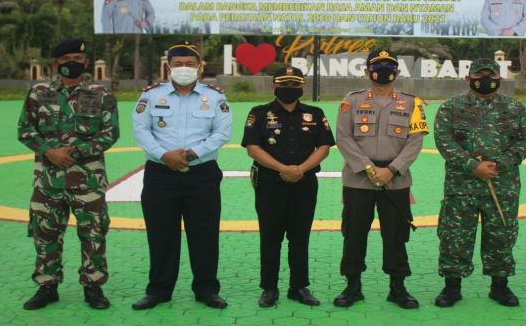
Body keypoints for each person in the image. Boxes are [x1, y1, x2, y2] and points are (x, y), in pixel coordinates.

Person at [17, 38, 120, 310]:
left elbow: (110, 134)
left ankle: (93, 287)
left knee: (94, 234)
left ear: (86, 62)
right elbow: (25, 130)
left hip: (89, 181)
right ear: (56, 63)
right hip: (48, 181)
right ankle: (47, 286)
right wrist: (50, 152)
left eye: (78, 58)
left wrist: (73, 153)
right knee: (45, 234)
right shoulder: (39, 92)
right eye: (66, 59)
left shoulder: (101, 93)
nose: (72, 63)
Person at [131, 43, 232, 310]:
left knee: (205, 234)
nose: (184, 69)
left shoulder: (214, 97)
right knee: (161, 234)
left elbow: (221, 134)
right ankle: (159, 290)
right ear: (169, 66)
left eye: (189, 64)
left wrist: (190, 154)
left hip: (202, 174)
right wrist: (164, 155)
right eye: (178, 64)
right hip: (160, 175)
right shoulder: (151, 96)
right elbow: (141, 130)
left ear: (199, 67)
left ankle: (207, 289)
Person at [433, 58, 526, 308]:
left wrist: (499, 164)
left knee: (501, 234)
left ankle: (500, 286)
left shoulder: (515, 108)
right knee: (455, 235)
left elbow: (524, 141)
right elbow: (444, 141)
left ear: (499, 79)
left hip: (502, 184)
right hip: (461, 185)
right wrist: (473, 166)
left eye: (491, 75)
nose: (486, 80)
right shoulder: (451, 107)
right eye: (480, 75)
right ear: (468, 79)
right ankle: (451, 287)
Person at [334, 49, 428, 309]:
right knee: (353, 234)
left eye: (390, 67)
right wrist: (369, 168)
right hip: (358, 180)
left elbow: (415, 140)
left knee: (396, 235)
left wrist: (392, 169)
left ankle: (398, 288)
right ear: (367, 71)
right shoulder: (350, 101)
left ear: (397, 72)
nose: (384, 71)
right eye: (378, 66)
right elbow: (343, 137)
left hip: (395, 180)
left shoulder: (412, 103)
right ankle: (352, 287)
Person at [242, 66, 335, 308]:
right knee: (270, 237)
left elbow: (324, 147)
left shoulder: (315, 113)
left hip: (304, 183)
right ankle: (269, 288)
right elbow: (253, 147)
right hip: (270, 184)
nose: (289, 89)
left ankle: (298, 286)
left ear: (302, 87)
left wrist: (301, 169)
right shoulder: (259, 113)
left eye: (295, 85)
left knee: (300, 237)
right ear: (273, 86)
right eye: (284, 85)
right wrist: (282, 168)